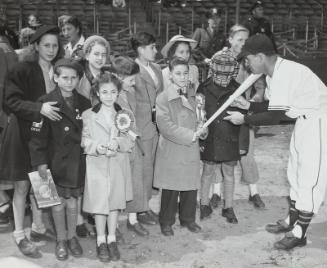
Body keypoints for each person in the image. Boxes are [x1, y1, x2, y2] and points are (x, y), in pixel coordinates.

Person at [224, 34, 327, 250]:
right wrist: (249, 107)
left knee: (310, 177)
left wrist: (244, 118)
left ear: (261, 57)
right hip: (304, 120)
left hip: (319, 120)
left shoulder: (285, 72)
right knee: (295, 172)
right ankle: (291, 221)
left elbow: (275, 116)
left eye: (249, 58)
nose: (247, 62)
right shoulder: (273, 73)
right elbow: (273, 107)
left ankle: (300, 233)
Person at [0, 25, 62, 258]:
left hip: (46, 136)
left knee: (43, 183)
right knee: (22, 186)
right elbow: (10, 102)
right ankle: (19, 234)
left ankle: (38, 228)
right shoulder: (22, 68)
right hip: (22, 134)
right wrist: (39, 108)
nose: (51, 49)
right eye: (46, 45)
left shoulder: (60, 68)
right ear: (35, 46)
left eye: (54, 45)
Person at [29, 58, 90, 260]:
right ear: (55, 77)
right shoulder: (45, 102)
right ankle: (61, 240)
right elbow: (36, 138)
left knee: (73, 202)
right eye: (65, 77)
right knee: (55, 203)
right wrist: (40, 164)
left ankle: (72, 237)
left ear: (79, 80)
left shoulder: (85, 103)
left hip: (75, 161)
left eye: (74, 78)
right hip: (52, 161)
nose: (69, 82)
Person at [204, 25, 266, 215]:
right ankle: (216, 193)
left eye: (246, 40)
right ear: (230, 40)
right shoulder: (218, 58)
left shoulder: (252, 60)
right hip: (221, 116)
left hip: (243, 115)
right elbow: (209, 86)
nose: (243, 43)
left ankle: (253, 192)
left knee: (247, 154)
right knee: (216, 155)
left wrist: (251, 103)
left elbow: (261, 88)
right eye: (239, 39)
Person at [81, 72, 134, 262]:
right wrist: (97, 147)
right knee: (99, 205)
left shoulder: (124, 115)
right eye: (104, 92)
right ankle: (100, 240)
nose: (109, 96)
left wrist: (118, 143)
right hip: (97, 166)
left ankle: (112, 238)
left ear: (118, 92)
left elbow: (130, 141)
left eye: (113, 92)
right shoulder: (89, 115)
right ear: (97, 92)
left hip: (117, 166)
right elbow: (84, 140)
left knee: (114, 204)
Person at [154, 57, 206, 236]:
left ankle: (188, 219)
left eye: (185, 73)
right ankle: (166, 221)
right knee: (171, 188)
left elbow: (200, 119)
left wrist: (202, 130)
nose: (183, 77)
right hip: (172, 150)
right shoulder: (163, 98)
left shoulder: (195, 95)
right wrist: (190, 135)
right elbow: (165, 127)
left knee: (190, 187)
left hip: (190, 149)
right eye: (178, 73)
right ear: (170, 75)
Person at [198, 45, 246, 224]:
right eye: (220, 69)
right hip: (209, 136)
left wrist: (242, 144)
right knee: (207, 171)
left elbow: (244, 117)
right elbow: (199, 113)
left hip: (229, 137)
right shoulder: (203, 87)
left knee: (229, 173)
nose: (223, 74)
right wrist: (200, 129)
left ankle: (229, 207)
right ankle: (204, 204)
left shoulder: (239, 89)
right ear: (213, 68)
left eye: (227, 70)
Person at [112, 55, 150, 236]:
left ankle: (132, 220)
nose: (133, 83)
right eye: (130, 79)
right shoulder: (110, 96)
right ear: (119, 77)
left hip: (133, 145)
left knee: (135, 183)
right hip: (118, 148)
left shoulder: (130, 94)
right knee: (117, 187)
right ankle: (112, 226)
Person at [130, 32, 163, 225]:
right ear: (140, 49)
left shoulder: (157, 68)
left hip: (155, 126)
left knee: (150, 169)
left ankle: (146, 205)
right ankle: (139, 210)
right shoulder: (132, 70)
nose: (156, 50)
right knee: (140, 170)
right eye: (152, 47)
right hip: (140, 127)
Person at [78, 35, 110, 106]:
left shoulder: (109, 77)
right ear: (87, 56)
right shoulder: (79, 78)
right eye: (96, 54)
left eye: (103, 55)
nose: (100, 58)